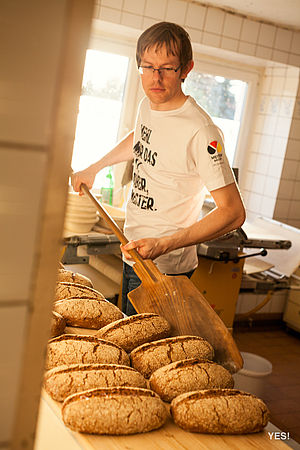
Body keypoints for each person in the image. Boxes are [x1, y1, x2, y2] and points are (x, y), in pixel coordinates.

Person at [72, 21, 246, 316]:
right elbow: (141, 137)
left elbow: (233, 212)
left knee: (147, 353)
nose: (156, 78)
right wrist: (95, 167)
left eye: (167, 68)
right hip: (135, 255)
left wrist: (164, 245)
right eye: (148, 66)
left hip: (167, 269)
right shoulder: (147, 105)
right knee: (130, 342)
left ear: (186, 69)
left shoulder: (202, 131)